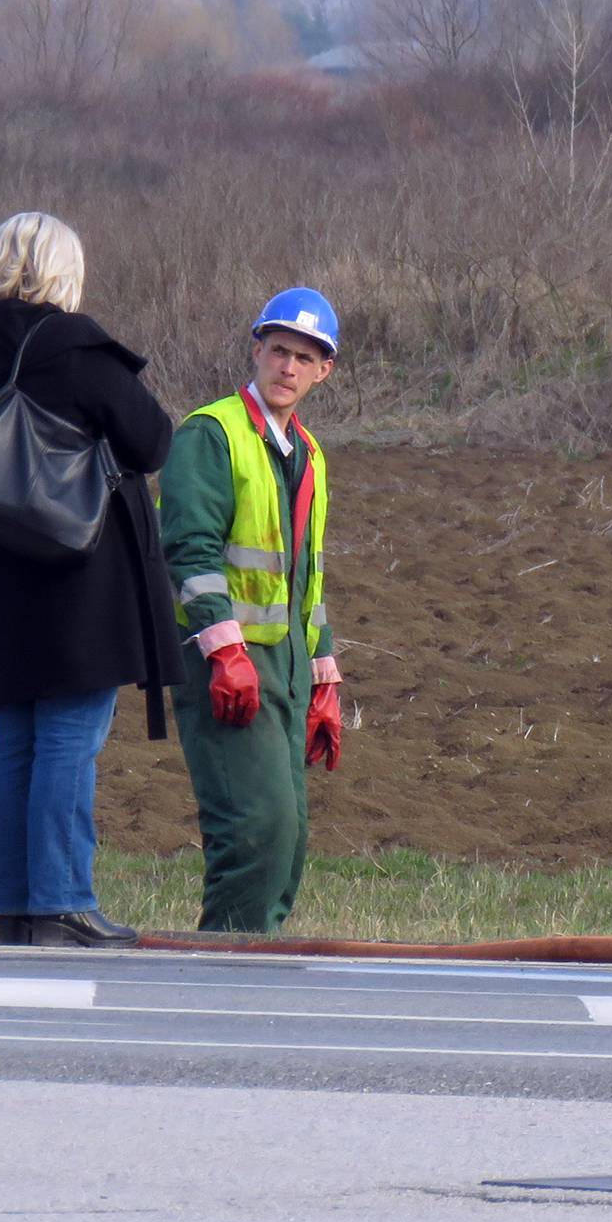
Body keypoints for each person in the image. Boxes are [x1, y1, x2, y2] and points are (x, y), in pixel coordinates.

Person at [0, 213, 176, 949]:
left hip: (4, 567)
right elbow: (152, 439)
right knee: (73, 736)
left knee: (18, 734)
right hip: (81, 573)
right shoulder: (79, 351)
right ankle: (63, 900)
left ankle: (15, 904)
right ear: (64, 271)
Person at [159, 288, 346, 932]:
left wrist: (324, 676)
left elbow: (305, 581)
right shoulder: (211, 434)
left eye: (304, 357)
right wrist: (224, 650)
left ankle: (257, 956)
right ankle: (226, 968)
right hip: (226, 663)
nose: (287, 368)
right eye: (278, 351)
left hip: (287, 667)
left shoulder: (310, 454)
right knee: (255, 828)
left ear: (325, 370)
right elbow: (190, 548)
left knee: (288, 837)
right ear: (257, 351)